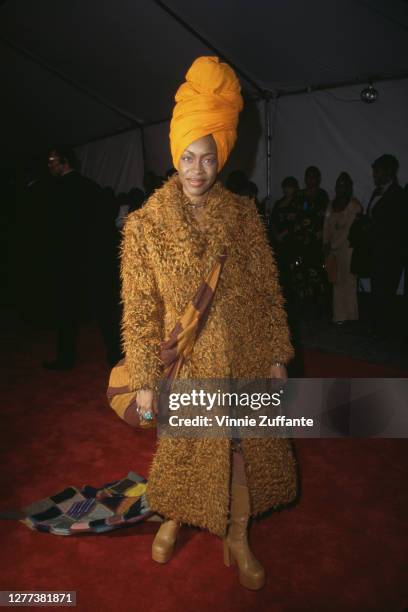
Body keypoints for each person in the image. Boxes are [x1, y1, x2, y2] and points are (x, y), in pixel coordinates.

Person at [120, 56, 298, 591]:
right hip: (189, 362)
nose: (198, 169)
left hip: (244, 356)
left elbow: (269, 292)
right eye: (188, 156)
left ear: (223, 155)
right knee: (184, 449)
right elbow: (140, 310)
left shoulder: (244, 216)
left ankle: (238, 535)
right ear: (175, 153)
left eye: (210, 157)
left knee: (241, 450)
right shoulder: (145, 226)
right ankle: (174, 516)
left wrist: (275, 355)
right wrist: (146, 380)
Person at [44, 147, 122, 369]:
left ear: (65, 162)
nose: (49, 166)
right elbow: (107, 217)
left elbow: (56, 229)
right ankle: (116, 357)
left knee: (67, 311)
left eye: (52, 161)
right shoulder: (91, 186)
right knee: (105, 311)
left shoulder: (58, 190)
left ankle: (66, 359)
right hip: (95, 259)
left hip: (71, 261)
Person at [367, 155, 406, 338]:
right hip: (376, 251)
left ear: (388, 172)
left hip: (390, 254)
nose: (374, 175)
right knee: (376, 290)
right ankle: (376, 327)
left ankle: (385, 330)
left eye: (377, 171)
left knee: (386, 291)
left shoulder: (398, 194)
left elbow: (397, 226)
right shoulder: (377, 192)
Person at [323, 172, 362, 324]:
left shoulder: (354, 206)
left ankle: (351, 315)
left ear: (350, 188)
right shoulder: (331, 205)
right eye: (338, 185)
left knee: (349, 282)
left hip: (348, 249)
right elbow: (326, 226)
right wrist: (325, 244)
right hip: (332, 250)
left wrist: (332, 246)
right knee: (336, 282)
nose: (340, 188)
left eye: (344, 185)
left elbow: (348, 231)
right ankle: (339, 315)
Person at [292, 166, 329, 315]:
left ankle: (315, 307)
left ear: (318, 179)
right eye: (308, 176)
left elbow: (325, 218)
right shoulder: (299, 195)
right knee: (300, 274)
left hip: (315, 243)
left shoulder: (322, 195)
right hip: (300, 242)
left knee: (315, 275)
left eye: (313, 176)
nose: (310, 179)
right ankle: (302, 306)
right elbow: (294, 215)